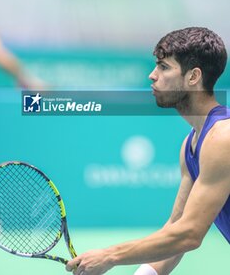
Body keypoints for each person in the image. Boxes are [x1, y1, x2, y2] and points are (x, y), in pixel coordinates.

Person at [66, 27, 230, 275]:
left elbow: (189, 234)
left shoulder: (222, 137)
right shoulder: (192, 145)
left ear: (193, 77)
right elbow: (176, 229)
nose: (152, 75)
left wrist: (109, 256)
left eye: (164, 67)